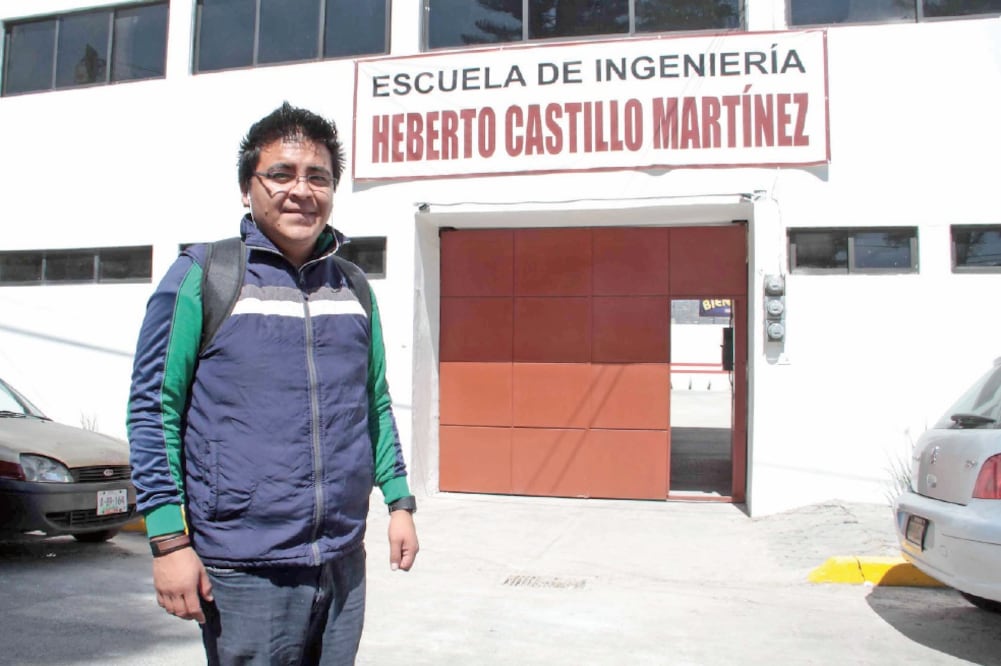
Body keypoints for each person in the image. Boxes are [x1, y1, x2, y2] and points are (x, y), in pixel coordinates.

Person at [127, 102, 418, 665]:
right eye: (281, 174)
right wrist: (168, 540)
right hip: (244, 565)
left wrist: (399, 502)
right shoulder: (202, 277)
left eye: (318, 177)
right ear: (247, 187)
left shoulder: (353, 288)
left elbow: (373, 402)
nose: (300, 191)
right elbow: (152, 411)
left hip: (340, 559)